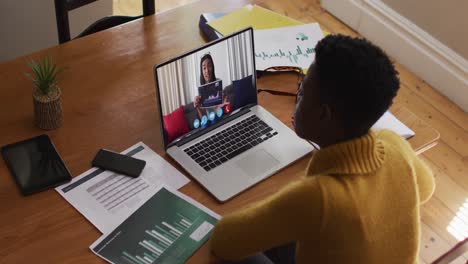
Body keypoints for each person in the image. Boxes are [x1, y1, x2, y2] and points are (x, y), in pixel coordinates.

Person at [210, 34, 435, 264]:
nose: (298, 99)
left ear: (323, 114)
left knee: (219, 255)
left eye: (303, 92)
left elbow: (224, 240)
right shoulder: (394, 144)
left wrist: (282, 203)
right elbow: (426, 187)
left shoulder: (318, 198)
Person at [194, 53, 228, 121]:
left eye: (209, 66)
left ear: (213, 67)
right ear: (202, 71)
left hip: (220, 119)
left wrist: (221, 105)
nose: (207, 71)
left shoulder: (218, 82)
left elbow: (220, 111)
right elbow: (204, 118)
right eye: (204, 68)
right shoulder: (199, 91)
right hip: (209, 123)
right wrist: (198, 108)